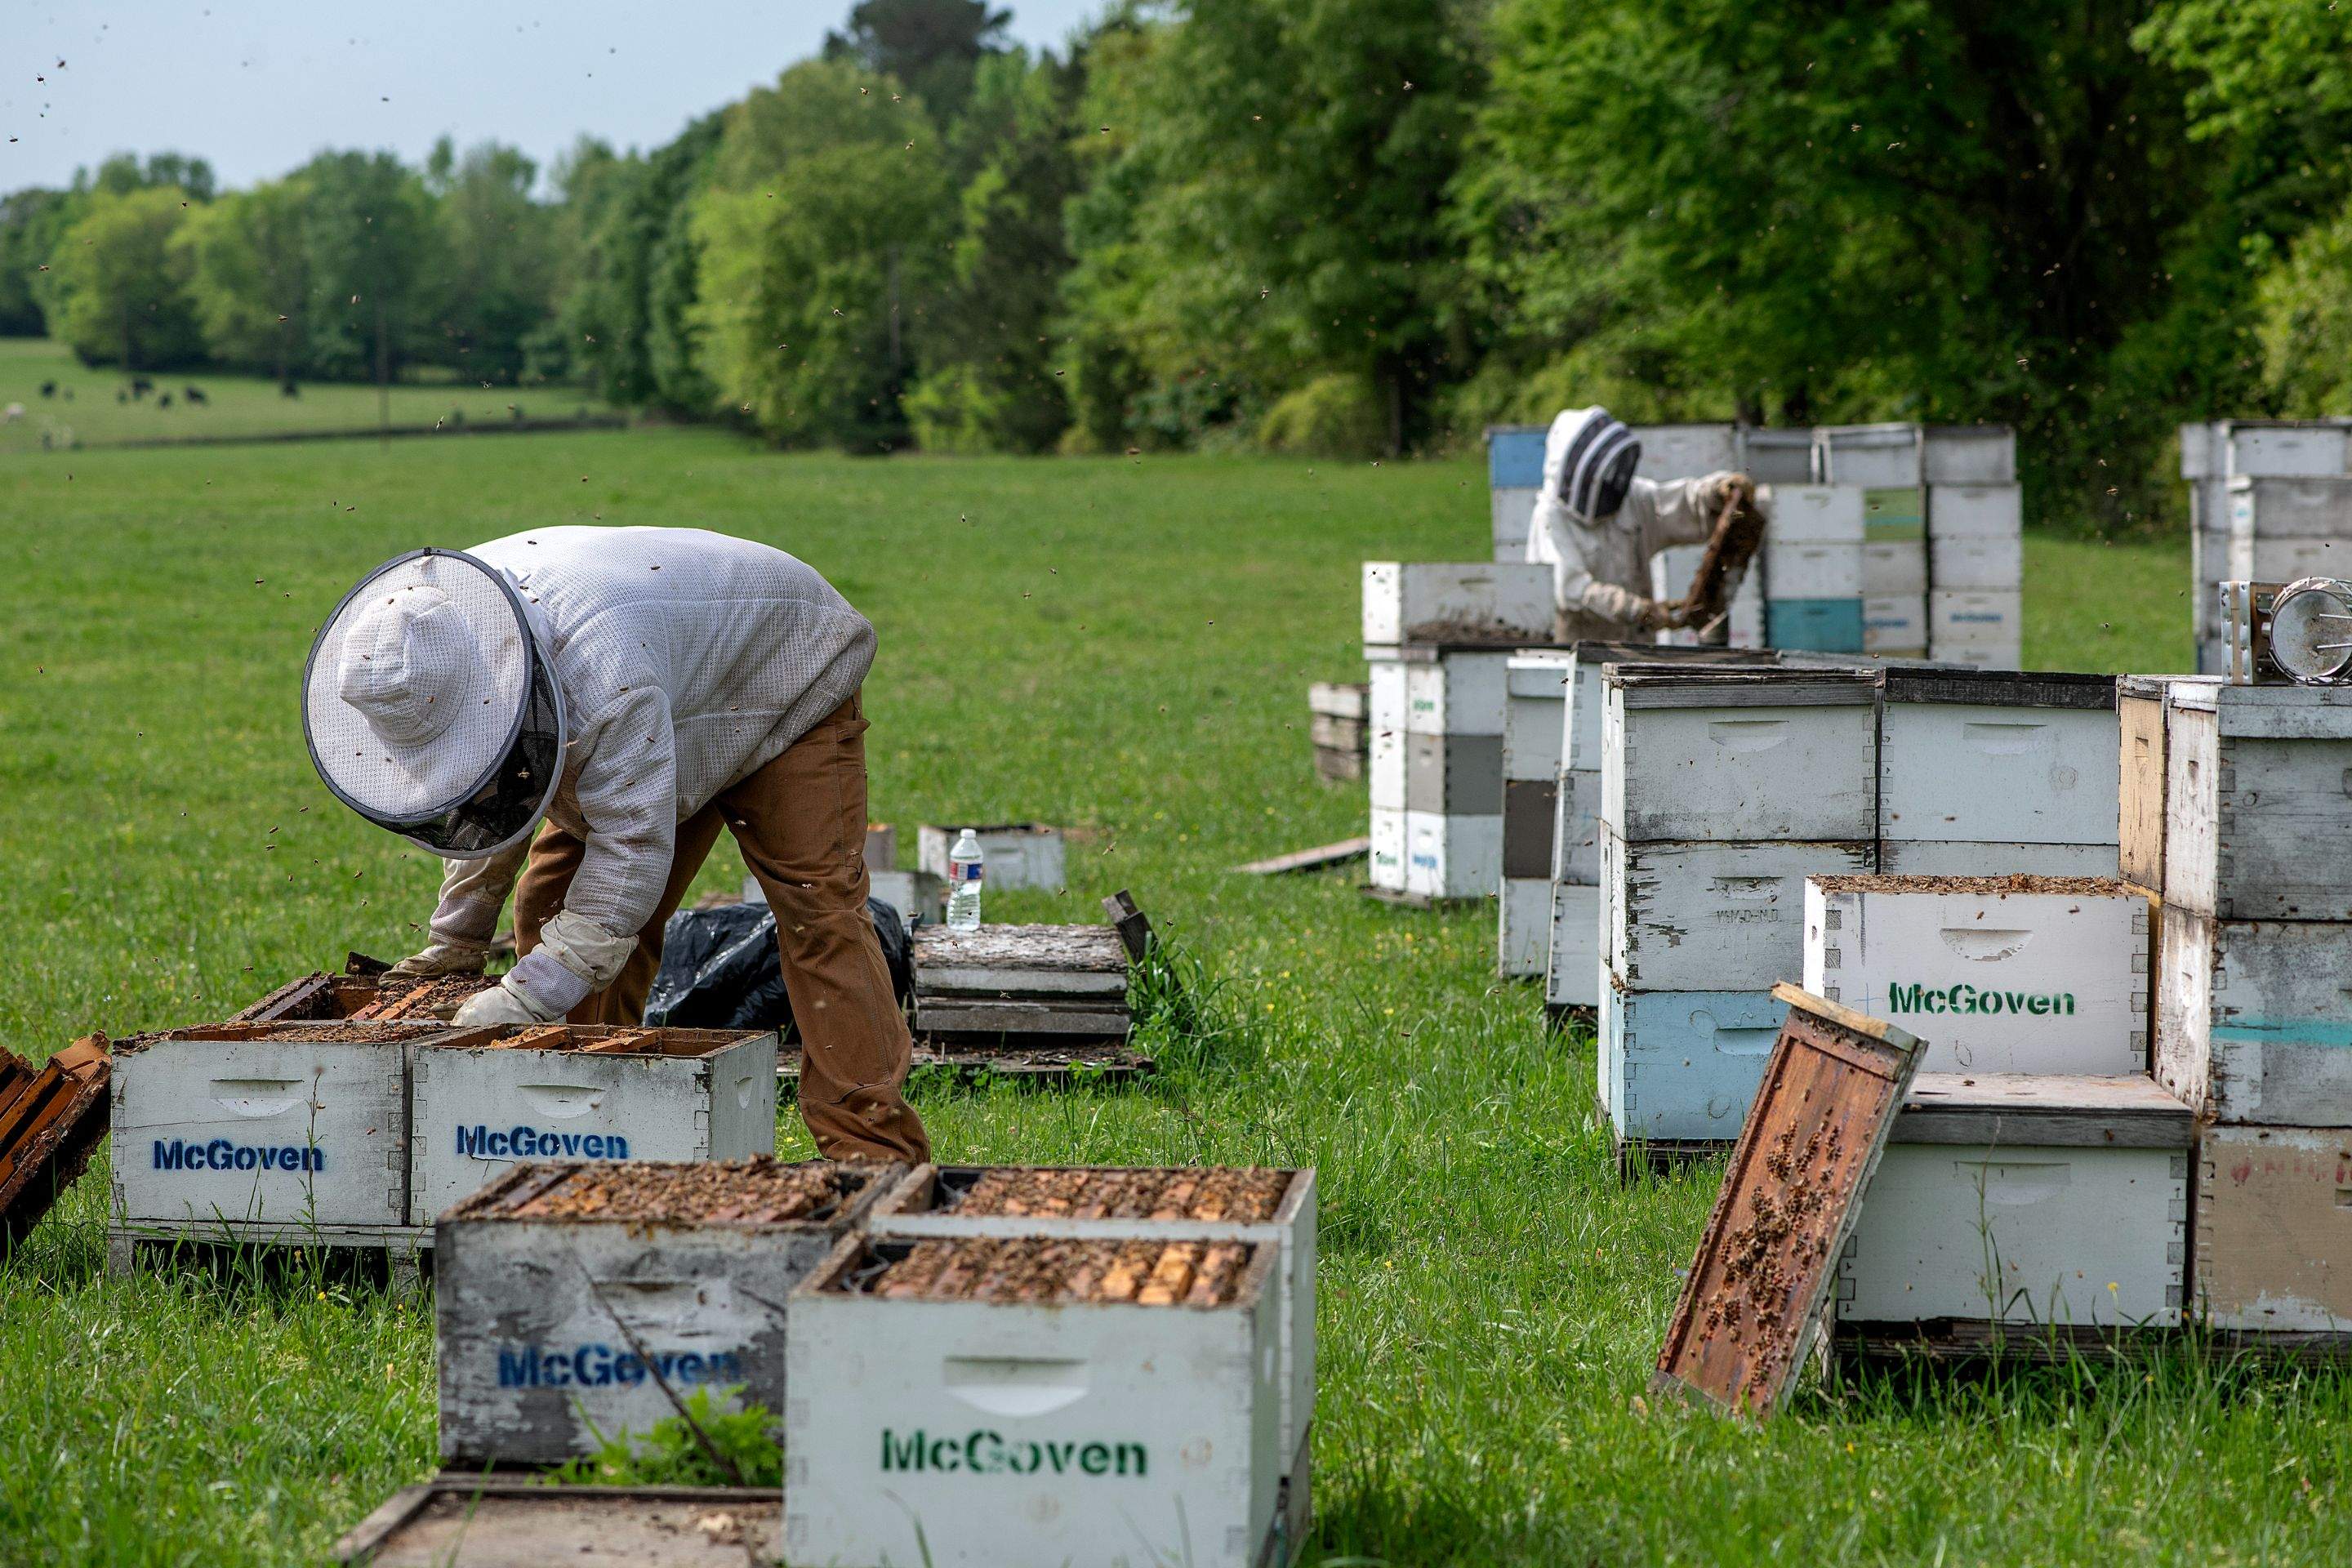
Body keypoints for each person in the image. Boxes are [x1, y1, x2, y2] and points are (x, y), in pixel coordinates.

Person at [300, 527, 929, 1163]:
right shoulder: (445, 627)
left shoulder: (602, 681)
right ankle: (590, 1130)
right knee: (550, 904)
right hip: (675, 672)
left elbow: (629, 856)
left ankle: (873, 1154)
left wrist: (525, 998)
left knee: (820, 913)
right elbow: (480, 788)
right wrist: (457, 941)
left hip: (786, 665)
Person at [1523, 406, 1753, 643]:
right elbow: (1572, 591)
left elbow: (1678, 504)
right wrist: (1636, 609)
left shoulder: (1628, 498)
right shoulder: (1551, 518)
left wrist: (1713, 492)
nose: (1601, 481)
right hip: (1577, 659)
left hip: (1636, 649)